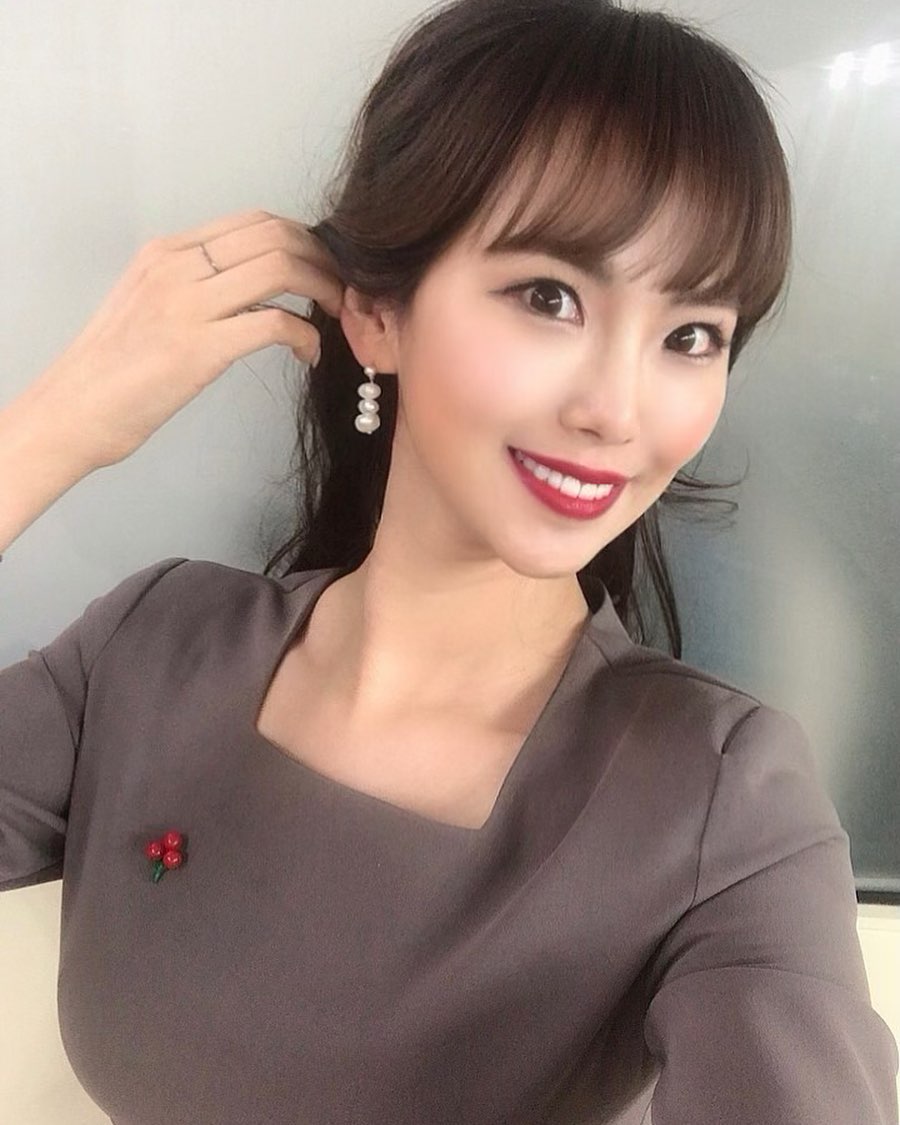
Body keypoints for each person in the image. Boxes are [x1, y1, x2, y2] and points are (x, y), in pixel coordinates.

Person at [1, 0, 897, 1121]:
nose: (618, 410)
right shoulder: (154, 646)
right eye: (549, 297)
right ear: (377, 314)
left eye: (691, 336)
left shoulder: (725, 802)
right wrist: (48, 432)